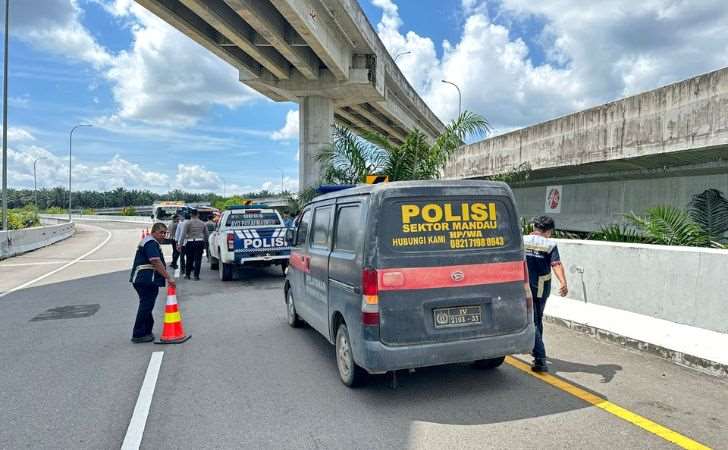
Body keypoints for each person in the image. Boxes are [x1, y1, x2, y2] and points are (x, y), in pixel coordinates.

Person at [523, 215, 568, 373]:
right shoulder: (550, 244)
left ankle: (539, 354)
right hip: (542, 288)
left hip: (523, 286)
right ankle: (538, 353)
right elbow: (556, 264)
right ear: (549, 231)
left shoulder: (522, 240)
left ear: (534, 227)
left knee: (533, 320)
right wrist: (563, 282)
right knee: (536, 319)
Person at [129, 222, 175, 343]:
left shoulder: (149, 241)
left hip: (144, 279)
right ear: (154, 232)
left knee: (147, 305)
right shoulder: (151, 243)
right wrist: (168, 277)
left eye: (165, 233)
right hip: (145, 279)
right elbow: (155, 261)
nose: (163, 235)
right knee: (146, 305)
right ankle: (138, 333)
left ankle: (146, 331)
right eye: (161, 232)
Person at [181, 208, 209, 280]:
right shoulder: (203, 223)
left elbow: (183, 234)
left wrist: (180, 244)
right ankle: (196, 276)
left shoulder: (188, 223)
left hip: (190, 242)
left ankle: (187, 275)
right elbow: (206, 234)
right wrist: (206, 243)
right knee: (198, 260)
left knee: (189, 259)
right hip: (200, 242)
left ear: (191, 215)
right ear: (198, 214)